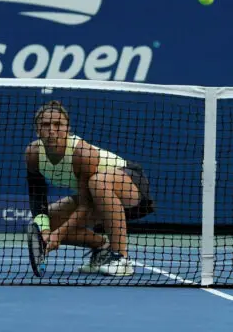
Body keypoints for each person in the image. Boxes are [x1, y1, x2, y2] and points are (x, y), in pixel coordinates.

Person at [25, 100, 154, 275]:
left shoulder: (82, 153)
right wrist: (46, 230)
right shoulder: (33, 154)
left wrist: (59, 235)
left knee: (97, 182)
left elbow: (85, 207)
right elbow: (37, 195)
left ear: (68, 128)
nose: (52, 130)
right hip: (100, 202)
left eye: (58, 124)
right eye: (46, 125)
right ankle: (101, 248)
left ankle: (121, 258)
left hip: (130, 188)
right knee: (49, 218)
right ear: (37, 129)